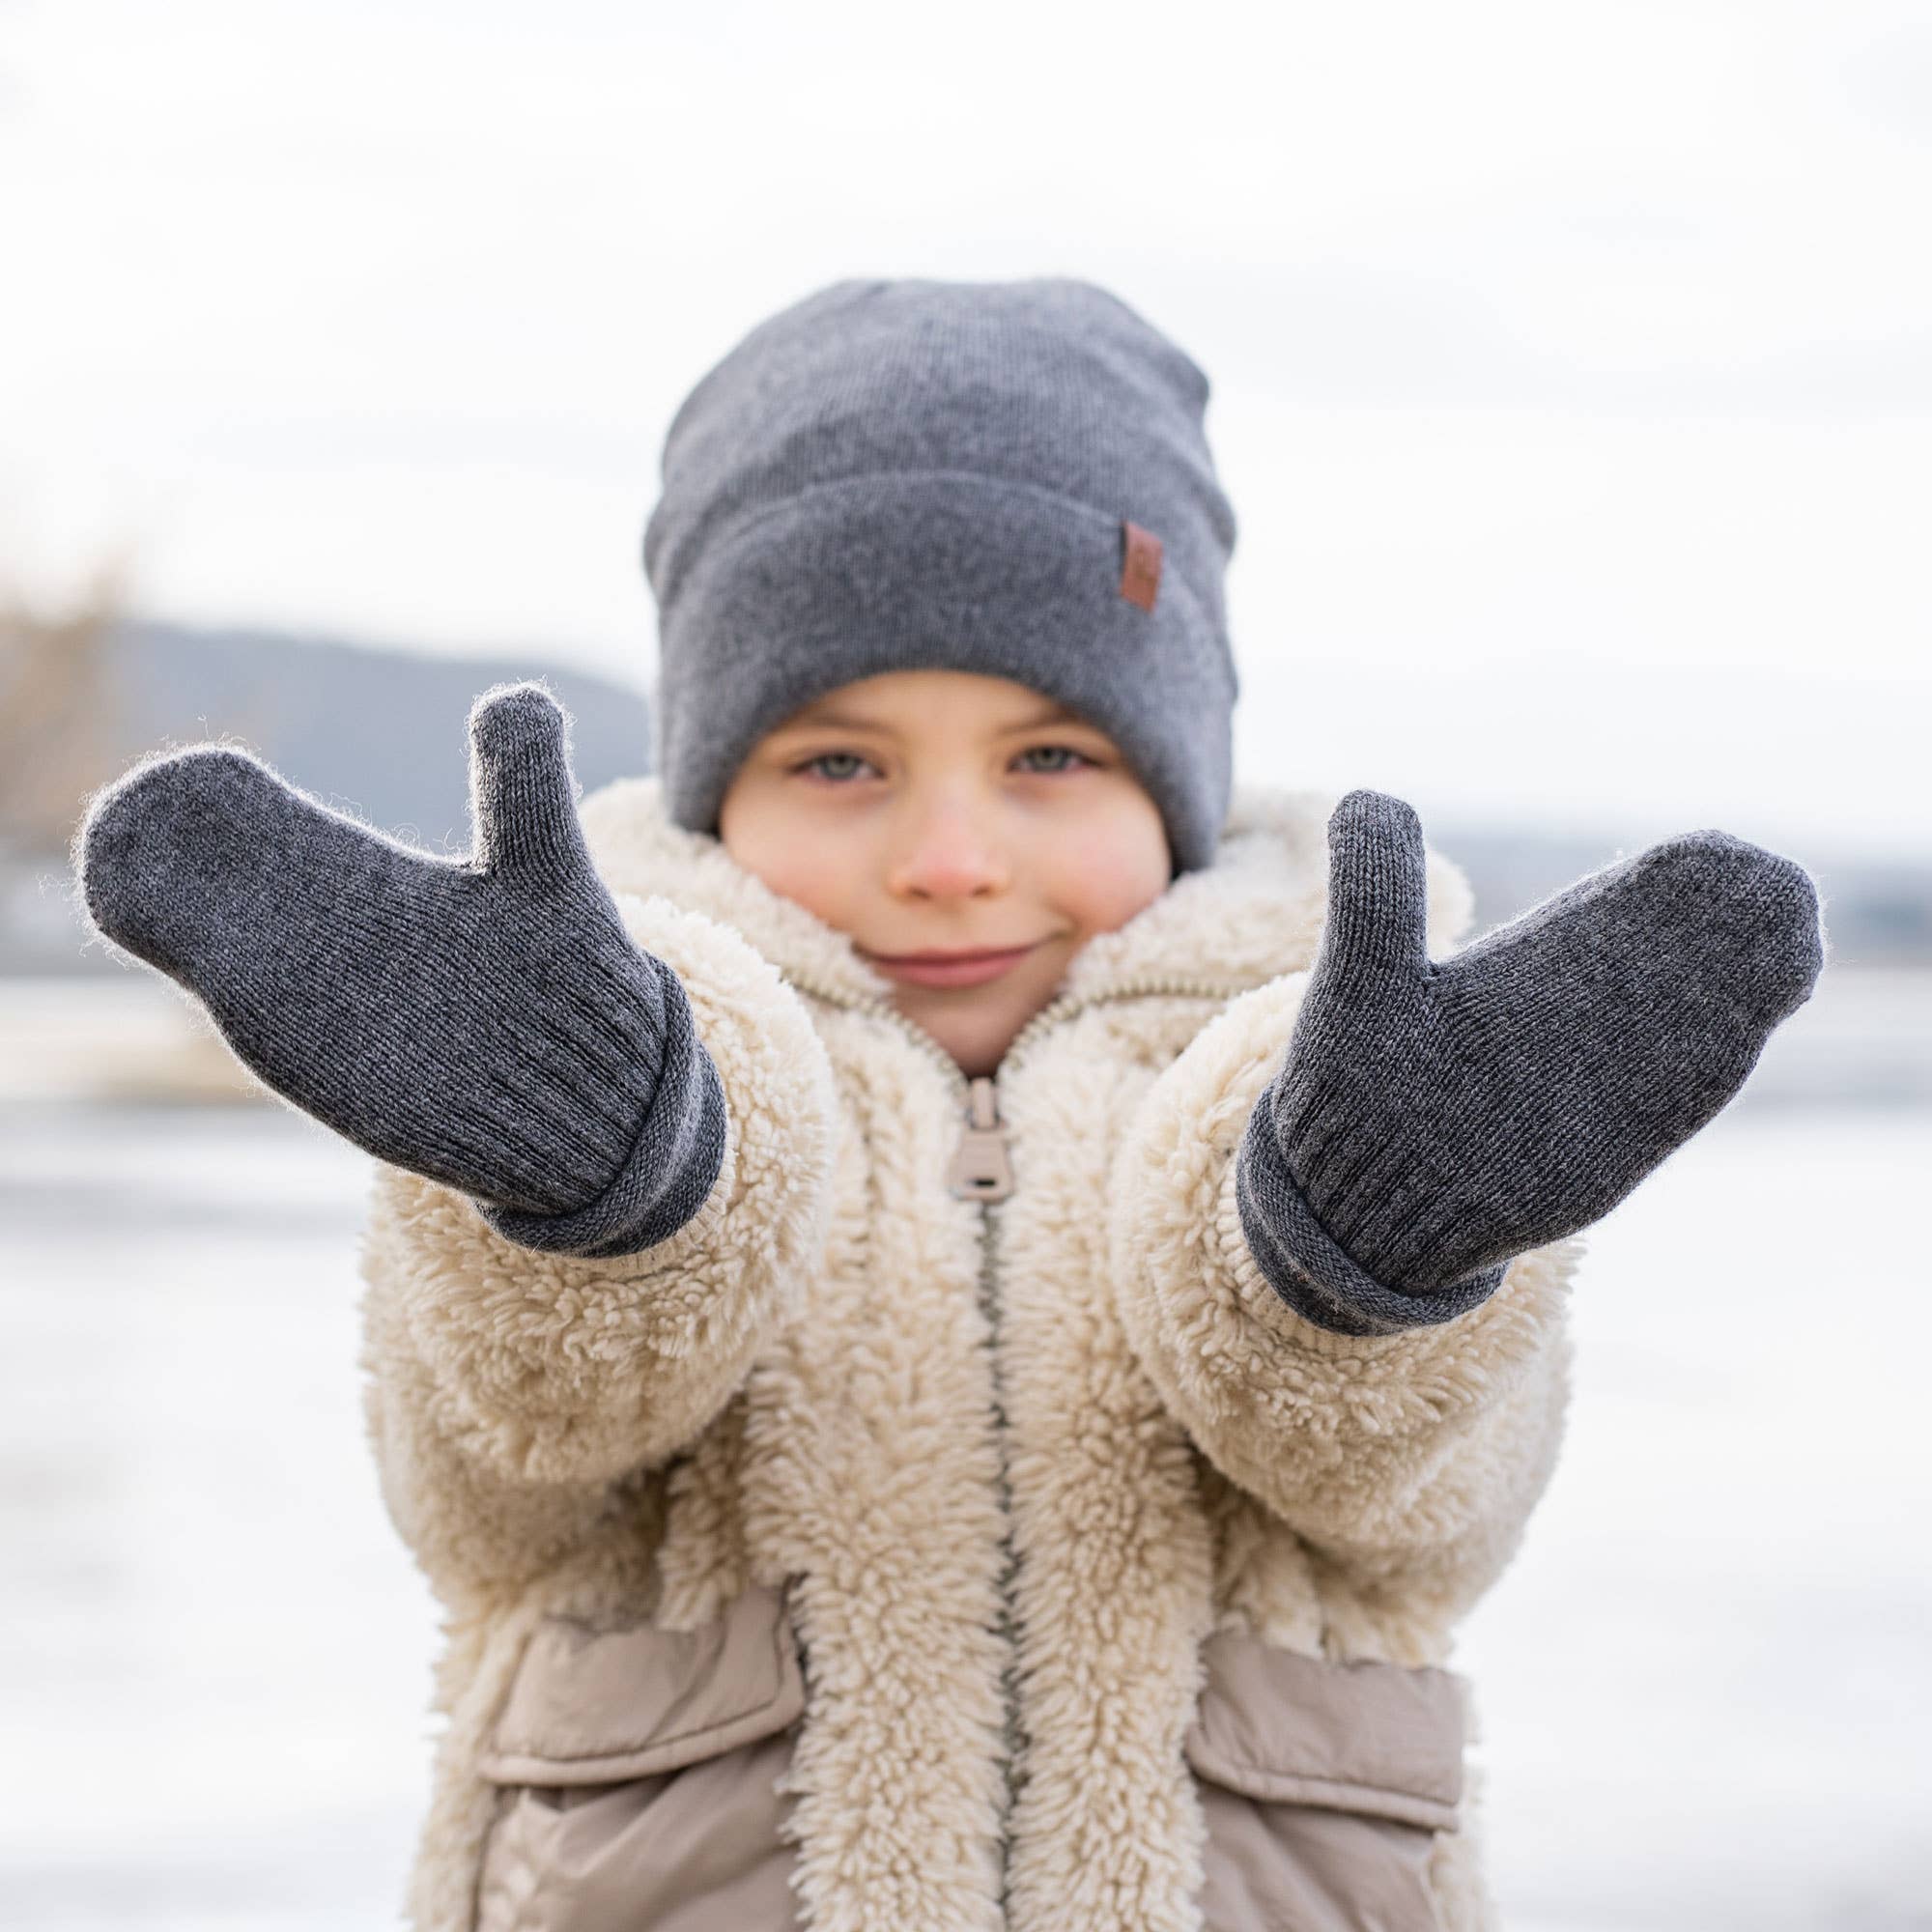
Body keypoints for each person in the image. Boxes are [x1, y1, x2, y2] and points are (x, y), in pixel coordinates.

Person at [76, 277, 1824, 1932]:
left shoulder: (1333, 1079)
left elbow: (1438, 1517)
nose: (947, 861)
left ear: (1179, 779)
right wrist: (608, 1180)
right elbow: (484, 1495)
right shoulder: (584, 1059)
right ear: (716, 787)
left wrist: (1352, 1237)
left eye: (1051, 758)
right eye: (839, 763)